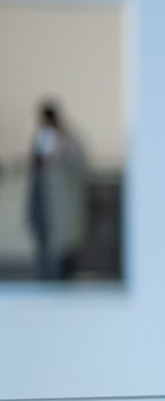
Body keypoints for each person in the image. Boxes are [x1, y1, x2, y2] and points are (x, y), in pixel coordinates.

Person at [27, 100, 89, 281]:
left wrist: (58, 155)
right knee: (44, 246)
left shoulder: (69, 141)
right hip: (43, 202)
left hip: (63, 206)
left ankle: (62, 280)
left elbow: (79, 167)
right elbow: (37, 170)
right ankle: (45, 280)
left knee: (65, 249)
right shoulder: (41, 140)